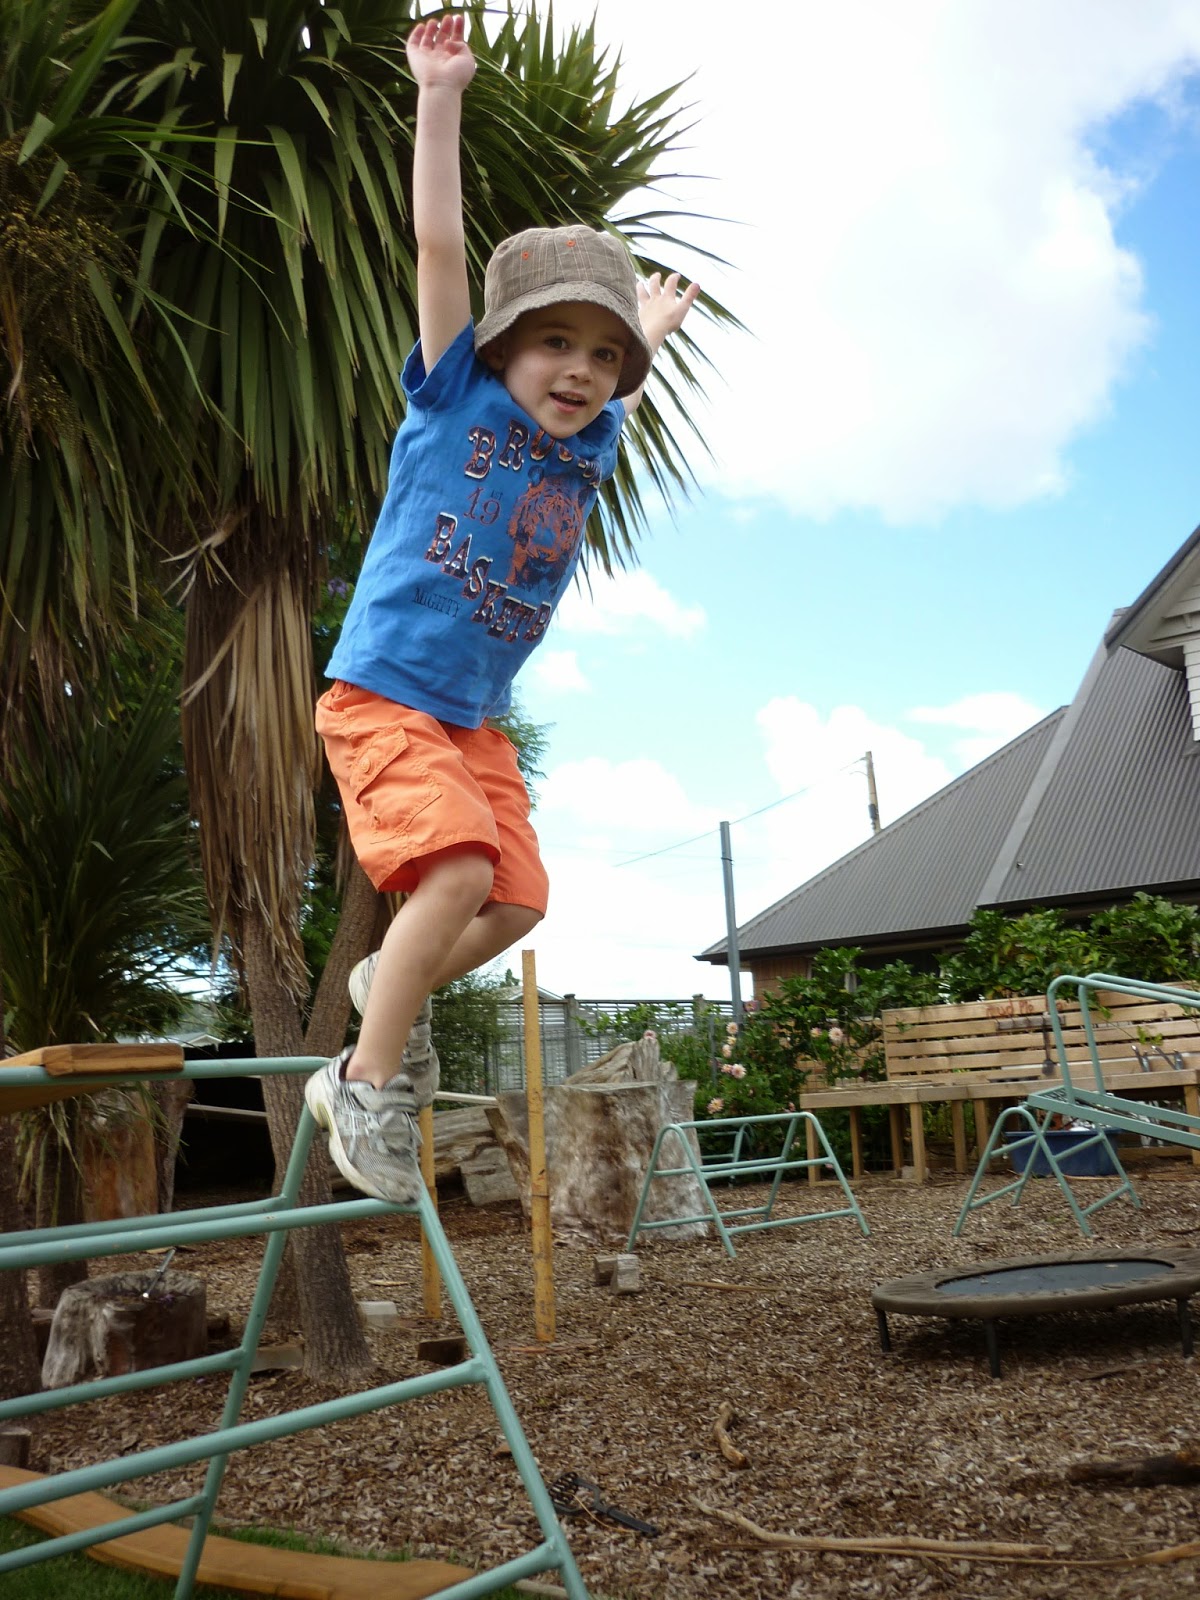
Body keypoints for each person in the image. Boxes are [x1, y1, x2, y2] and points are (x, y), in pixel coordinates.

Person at [305, 13, 700, 1203]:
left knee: (519, 897)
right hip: (386, 693)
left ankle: (388, 983)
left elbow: (622, 380)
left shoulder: (591, 439)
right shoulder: (456, 395)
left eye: (602, 356)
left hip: (470, 718)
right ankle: (362, 1083)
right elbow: (438, 242)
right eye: (555, 343)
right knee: (461, 871)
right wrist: (441, 95)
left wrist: (648, 330)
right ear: (503, 345)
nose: (579, 370)